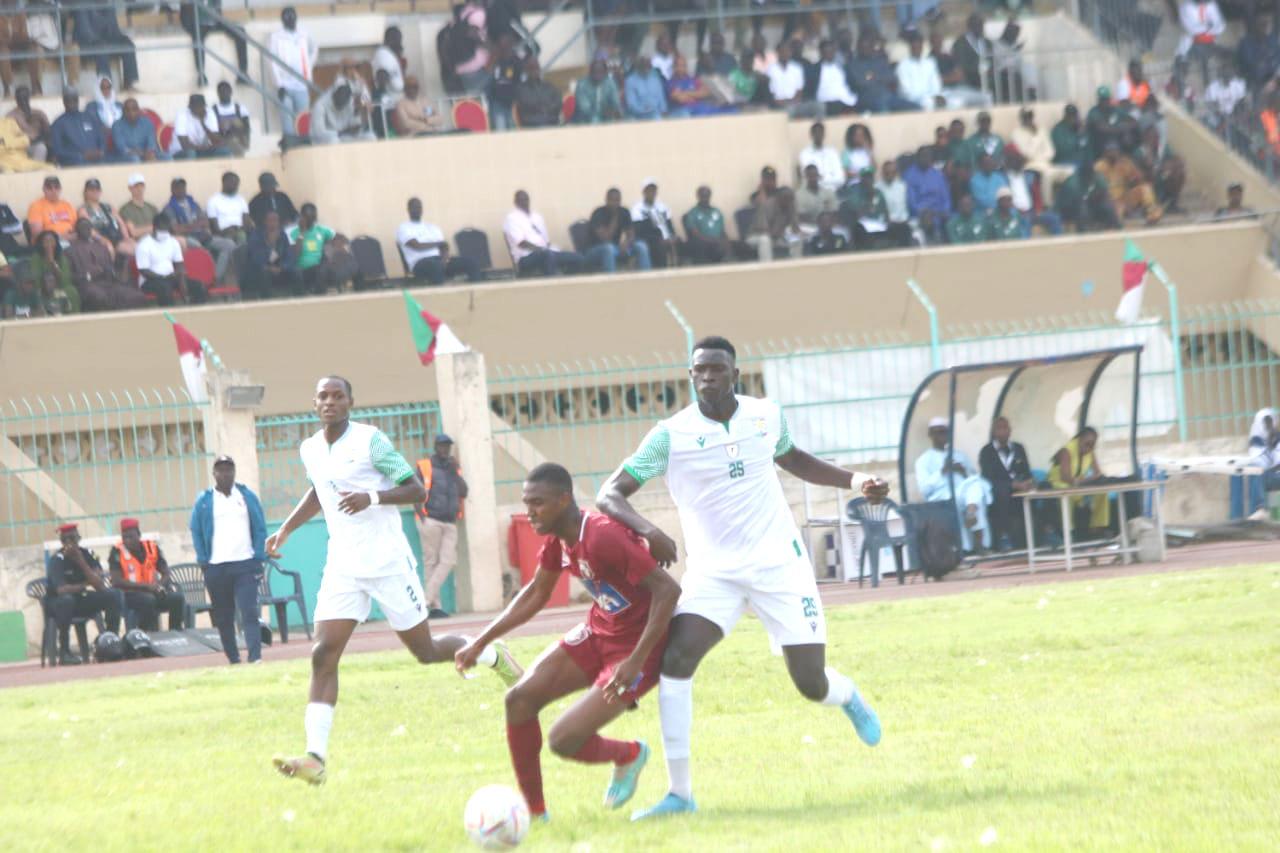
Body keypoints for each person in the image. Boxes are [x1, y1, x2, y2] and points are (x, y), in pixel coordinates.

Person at [598, 336, 886, 820]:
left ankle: (847, 696)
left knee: (810, 683)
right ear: (691, 376)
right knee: (677, 658)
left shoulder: (766, 415)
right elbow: (611, 493)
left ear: (735, 374)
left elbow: (795, 459)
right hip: (715, 573)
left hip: (781, 566)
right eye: (698, 370)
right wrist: (649, 530)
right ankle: (680, 794)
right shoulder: (670, 436)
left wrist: (857, 481)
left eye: (715, 368)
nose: (706, 376)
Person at [268, 376, 523, 785]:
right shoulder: (310, 448)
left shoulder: (372, 442)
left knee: (425, 651)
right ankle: (315, 758)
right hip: (343, 566)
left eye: (338, 396)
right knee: (322, 654)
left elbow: (416, 490)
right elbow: (319, 490)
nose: (330, 402)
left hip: (388, 563)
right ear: (314, 403)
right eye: (323, 396)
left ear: (351, 401)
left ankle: (492, 654)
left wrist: (371, 498)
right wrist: (286, 530)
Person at [457, 461, 680, 818]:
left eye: (537, 503)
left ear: (564, 500)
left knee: (563, 740)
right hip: (598, 633)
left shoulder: (603, 535)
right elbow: (535, 593)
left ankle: (630, 754)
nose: (529, 512)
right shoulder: (559, 540)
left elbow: (668, 591)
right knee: (519, 699)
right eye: (526, 503)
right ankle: (534, 815)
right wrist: (481, 641)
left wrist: (635, 660)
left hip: (637, 650)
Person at [190, 455, 268, 664]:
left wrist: (258, 556)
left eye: (229, 470)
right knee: (224, 616)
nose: (225, 474)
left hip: (244, 563)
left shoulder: (246, 496)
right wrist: (203, 560)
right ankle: (233, 658)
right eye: (220, 470)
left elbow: (260, 527)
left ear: (234, 472)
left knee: (249, 611)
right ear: (214, 473)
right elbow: (196, 530)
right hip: (216, 567)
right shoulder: (205, 501)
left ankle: (255, 657)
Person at [45, 523, 123, 665]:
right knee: (66, 600)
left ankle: (111, 642)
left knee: (113, 595)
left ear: (79, 538)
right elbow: (61, 590)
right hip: (57, 604)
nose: (71, 543)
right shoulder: (57, 560)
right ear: (62, 541)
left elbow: (99, 585)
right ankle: (64, 652)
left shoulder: (87, 554)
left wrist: (80, 561)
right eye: (67, 539)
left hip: (79, 600)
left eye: (74, 538)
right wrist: (84, 584)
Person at [915, 416, 992, 551]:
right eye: (938, 432)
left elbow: (973, 477)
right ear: (930, 435)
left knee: (977, 487)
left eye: (945, 432)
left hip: (964, 492)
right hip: (941, 495)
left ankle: (972, 515)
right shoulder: (923, 460)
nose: (942, 435)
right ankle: (967, 547)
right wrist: (942, 471)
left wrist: (963, 471)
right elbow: (924, 490)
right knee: (966, 498)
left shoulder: (959, 455)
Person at [1047, 426, 1139, 537]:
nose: (1090, 447)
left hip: (1078, 484)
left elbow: (1098, 472)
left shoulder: (1090, 451)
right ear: (1079, 440)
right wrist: (1087, 480)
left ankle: (1097, 527)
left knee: (1102, 492)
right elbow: (1065, 477)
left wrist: (1093, 479)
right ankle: (1068, 530)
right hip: (1058, 484)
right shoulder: (1066, 450)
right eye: (1087, 444)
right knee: (1069, 494)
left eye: (1093, 445)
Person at [413, 434, 468, 617]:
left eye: (448, 446)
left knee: (448, 560)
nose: (445, 449)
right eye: (442, 446)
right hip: (431, 519)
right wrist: (422, 517)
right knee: (431, 562)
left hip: (450, 521)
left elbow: (464, 491)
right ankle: (435, 608)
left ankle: (425, 600)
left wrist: (454, 472)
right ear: (436, 447)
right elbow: (415, 491)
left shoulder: (453, 468)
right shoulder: (425, 466)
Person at [107, 519, 185, 632]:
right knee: (148, 601)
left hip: (152, 591)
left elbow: (166, 572)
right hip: (129, 594)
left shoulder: (151, 547)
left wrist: (159, 585)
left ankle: (175, 631)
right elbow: (116, 581)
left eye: (131, 537)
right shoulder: (117, 551)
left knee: (177, 598)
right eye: (124, 537)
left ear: (139, 535)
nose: (127, 541)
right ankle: (144, 632)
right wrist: (145, 587)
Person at [978, 416, 1037, 551]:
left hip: (1020, 485)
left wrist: (1028, 481)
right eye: (999, 428)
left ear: (1010, 431)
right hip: (999, 488)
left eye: (1006, 428)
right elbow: (988, 477)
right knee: (1002, 491)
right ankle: (1004, 536)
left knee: (1044, 487)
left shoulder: (1018, 448)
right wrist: (1012, 485)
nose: (1003, 431)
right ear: (993, 432)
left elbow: (1026, 470)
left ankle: (1045, 532)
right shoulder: (986, 451)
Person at [66, 217, 146, 311]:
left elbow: (112, 269)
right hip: (88, 285)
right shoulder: (70, 251)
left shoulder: (101, 247)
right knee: (99, 297)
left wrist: (113, 268)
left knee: (135, 295)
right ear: (77, 230)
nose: (86, 230)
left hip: (108, 283)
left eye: (88, 227)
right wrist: (89, 275)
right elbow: (70, 276)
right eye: (82, 227)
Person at [397, 197, 479, 284]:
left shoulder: (432, 227)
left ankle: (476, 292)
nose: (417, 210)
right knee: (435, 266)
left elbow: (444, 245)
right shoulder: (404, 228)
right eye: (414, 207)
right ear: (408, 210)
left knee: (471, 263)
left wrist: (444, 259)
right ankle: (440, 295)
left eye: (419, 207)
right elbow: (417, 245)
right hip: (419, 263)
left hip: (440, 260)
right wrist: (438, 244)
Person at [503, 190, 584, 277]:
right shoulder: (512, 218)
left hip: (546, 252)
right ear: (516, 202)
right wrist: (541, 250)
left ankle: (567, 283)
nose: (524, 202)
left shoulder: (537, 217)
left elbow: (546, 241)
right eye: (521, 200)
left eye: (526, 199)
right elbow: (521, 243)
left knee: (577, 257)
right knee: (547, 255)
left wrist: (551, 248)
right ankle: (552, 284)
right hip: (525, 257)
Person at [270, 6, 317, 136]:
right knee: (287, 121)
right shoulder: (276, 37)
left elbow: (314, 49)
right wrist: (279, 84)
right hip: (285, 84)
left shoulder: (304, 34)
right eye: (287, 16)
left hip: (301, 84)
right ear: (282, 19)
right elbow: (273, 61)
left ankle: (304, 147)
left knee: (303, 120)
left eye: (292, 16)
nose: (290, 19)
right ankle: (291, 147)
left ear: (296, 17)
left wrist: (308, 65)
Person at [180, 0, 248, 86]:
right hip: (197, 23)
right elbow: (185, 13)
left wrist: (216, 19)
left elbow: (218, 10)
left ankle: (243, 73)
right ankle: (201, 75)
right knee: (197, 38)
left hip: (215, 21)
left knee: (240, 32)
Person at [166, 177, 234, 261]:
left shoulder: (193, 204)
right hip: (187, 239)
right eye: (177, 187)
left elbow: (205, 222)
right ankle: (207, 271)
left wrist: (188, 226)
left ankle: (217, 273)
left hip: (203, 236)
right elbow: (176, 230)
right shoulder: (168, 208)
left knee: (229, 244)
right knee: (201, 250)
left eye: (183, 187)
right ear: (172, 190)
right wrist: (196, 225)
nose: (181, 189)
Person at [71, 8, 138, 91]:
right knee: (101, 47)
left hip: (106, 43)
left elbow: (115, 32)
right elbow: (85, 34)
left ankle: (129, 84)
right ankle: (106, 86)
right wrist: (102, 42)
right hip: (86, 45)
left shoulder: (108, 7)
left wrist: (122, 39)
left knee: (128, 44)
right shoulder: (82, 7)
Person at [586, 188, 652, 273]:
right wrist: (615, 217)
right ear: (606, 200)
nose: (614, 203)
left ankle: (647, 277)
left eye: (617, 200)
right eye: (612, 200)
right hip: (595, 250)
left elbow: (631, 234)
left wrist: (626, 244)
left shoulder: (624, 211)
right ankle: (611, 281)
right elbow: (606, 238)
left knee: (641, 245)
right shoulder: (598, 213)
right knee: (609, 248)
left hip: (616, 248)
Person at [1095, 142, 1161, 225]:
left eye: (1115, 150)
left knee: (1145, 188)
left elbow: (1139, 179)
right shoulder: (1099, 166)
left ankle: (1152, 213)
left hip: (1125, 198)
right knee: (1116, 219)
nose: (1113, 153)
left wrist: (1131, 172)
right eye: (1110, 151)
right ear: (1105, 153)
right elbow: (1098, 190)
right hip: (1110, 202)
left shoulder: (1124, 162)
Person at [135, 212, 194, 305]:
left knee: (197, 286)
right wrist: (163, 277)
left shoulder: (173, 242)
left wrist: (181, 278)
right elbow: (144, 271)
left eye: (166, 230)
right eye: (161, 230)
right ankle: (169, 316)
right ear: (154, 228)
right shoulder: (144, 244)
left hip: (170, 277)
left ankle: (195, 313)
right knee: (165, 287)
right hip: (150, 281)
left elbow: (179, 264)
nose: (164, 232)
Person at [1003, 146, 1062, 236]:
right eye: (1015, 160)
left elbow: (1036, 195)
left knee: (1054, 218)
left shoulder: (1029, 176)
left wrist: (1038, 209)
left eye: (1020, 160)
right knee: (1025, 222)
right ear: (1009, 161)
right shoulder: (1004, 178)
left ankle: (1059, 244)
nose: (1019, 162)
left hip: (1032, 211)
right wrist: (1017, 210)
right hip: (1015, 212)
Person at [242, 210, 299, 298]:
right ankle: (267, 303)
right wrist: (271, 245)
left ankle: (301, 301)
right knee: (264, 273)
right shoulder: (256, 236)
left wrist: (281, 267)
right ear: (265, 222)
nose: (273, 223)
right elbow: (258, 260)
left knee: (296, 272)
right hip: (260, 271)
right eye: (270, 220)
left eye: (276, 220)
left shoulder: (282, 235)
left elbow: (289, 256)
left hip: (279, 269)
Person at [206, 171, 252, 281]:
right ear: (224, 182)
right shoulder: (214, 200)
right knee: (229, 244)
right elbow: (214, 227)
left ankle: (226, 278)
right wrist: (227, 232)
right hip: (220, 236)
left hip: (240, 233)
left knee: (241, 241)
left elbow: (246, 222)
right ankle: (219, 278)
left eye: (237, 183)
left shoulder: (241, 200)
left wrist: (238, 230)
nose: (236, 185)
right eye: (233, 182)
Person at [50, 87, 110, 166]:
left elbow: (101, 138)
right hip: (75, 162)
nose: (72, 102)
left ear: (78, 100)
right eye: (68, 99)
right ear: (64, 101)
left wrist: (101, 151)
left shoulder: (89, 117)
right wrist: (81, 155)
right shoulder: (58, 123)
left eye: (74, 99)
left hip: (98, 158)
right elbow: (58, 150)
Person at [1055, 161, 1119, 233]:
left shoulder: (1097, 177)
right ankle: (1083, 229)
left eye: (1091, 174)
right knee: (1082, 206)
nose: (1089, 176)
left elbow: (1105, 193)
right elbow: (1072, 202)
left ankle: (1116, 226)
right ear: (1082, 174)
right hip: (1067, 208)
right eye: (1087, 174)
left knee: (1106, 204)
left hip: (1089, 204)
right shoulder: (1072, 183)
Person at [904, 146, 951, 242]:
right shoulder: (909, 175)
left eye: (928, 156)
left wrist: (944, 211)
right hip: (921, 215)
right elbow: (912, 203)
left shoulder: (938, 174)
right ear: (917, 157)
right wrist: (925, 212)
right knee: (928, 221)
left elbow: (946, 198)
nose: (926, 158)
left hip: (939, 214)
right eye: (923, 156)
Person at [79, 177, 131, 259]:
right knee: (108, 249)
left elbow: (121, 223)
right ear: (86, 192)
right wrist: (103, 240)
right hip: (99, 240)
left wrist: (127, 237)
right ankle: (112, 271)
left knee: (136, 248)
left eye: (97, 189)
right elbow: (88, 229)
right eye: (91, 189)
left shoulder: (108, 207)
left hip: (116, 237)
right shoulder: (83, 209)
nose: (95, 192)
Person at [630, 179, 678, 269]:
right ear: (644, 192)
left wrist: (673, 236)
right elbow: (639, 231)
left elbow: (669, 225)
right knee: (659, 246)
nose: (651, 192)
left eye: (653, 190)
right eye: (649, 190)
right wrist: (660, 238)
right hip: (650, 239)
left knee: (680, 242)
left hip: (666, 238)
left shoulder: (662, 207)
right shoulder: (637, 208)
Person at [28, 229, 78, 314]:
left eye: (51, 241)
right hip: (42, 288)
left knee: (71, 290)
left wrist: (52, 263)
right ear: (41, 243)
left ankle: (73, 317)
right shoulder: (35, 258)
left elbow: (65, 280)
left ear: (56, 243)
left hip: (60, 287)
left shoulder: (61, 257)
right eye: (45, 241)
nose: (49, 244)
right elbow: (36, 279)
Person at [1177, 0, 1225, 83]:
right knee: (1184, 58)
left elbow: (1220, 24)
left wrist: (1208, 30)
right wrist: (1209, 27)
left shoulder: (1211, 4)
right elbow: (1191, 28)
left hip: (1210, 38)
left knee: (1219, 55)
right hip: (1191, 40)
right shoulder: (1186, 6)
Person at [169, 94, 230, 159]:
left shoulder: (210, 114)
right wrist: (205, 148)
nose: (199, 109)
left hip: (202, 150)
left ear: (205, 106)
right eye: (196, 106)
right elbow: (185, 145)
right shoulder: (182, 115)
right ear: (190, 107)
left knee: (224, 151)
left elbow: (216, 141)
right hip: (180, 151)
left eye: (201, 106)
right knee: (191, 153)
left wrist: (203, 123)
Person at [681, 185, 730, 265]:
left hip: (717, 241)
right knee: (702, 245)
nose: (705, 197)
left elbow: (722, 231)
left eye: (707, 195)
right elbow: (695, 233)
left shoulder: (717, 211)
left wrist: (725, 241)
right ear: (698, 196)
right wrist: (712, 240)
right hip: (702, 242)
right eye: (703, 195)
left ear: (710, 196)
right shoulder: (693, 213)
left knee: (731, 244)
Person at [897, 28, 943, 110]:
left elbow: (936, 84)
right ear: (911, 47)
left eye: (919, 46)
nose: (917, 49)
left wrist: (936, 96)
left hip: (932, 98)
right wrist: (928, 98)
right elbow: (906, 92)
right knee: (928, 103)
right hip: (913, 101)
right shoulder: (903, 66)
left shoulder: (930, 63)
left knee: (953, 101)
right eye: (915, 46)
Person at [514, 55, 562, 128]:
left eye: (536, 67)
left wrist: (545, 109)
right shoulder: (521, 89)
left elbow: (558, 103)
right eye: (531, 68)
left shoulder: (549, 87)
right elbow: (526, 105)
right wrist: (543, 107)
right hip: (531, 126)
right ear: (526, 70)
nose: (534, 70)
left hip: (551, 123)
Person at [111, 98, 164, 163]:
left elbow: (151, 144)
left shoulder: (147, 122)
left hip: (147, 154)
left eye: (134, 109)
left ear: (139, 110)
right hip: (125, 156)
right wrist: (142, 154)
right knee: (135, 159)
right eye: (128, 110)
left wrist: (149, 152)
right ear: (123, 111)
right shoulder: (117, 125)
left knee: (167, 156)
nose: (131, 113)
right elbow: (122, 149)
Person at [814, 39, 858, 114]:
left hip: (846, 99)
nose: (829, 54)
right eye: (826, 52)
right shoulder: (815, 69)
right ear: (821, 53)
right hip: (826, 100)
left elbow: (852, 84)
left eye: (831, 51)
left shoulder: (842, 67)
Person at [950, 13, 992, 92]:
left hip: (988, 79)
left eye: (981, 25)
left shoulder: (987, 42)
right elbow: (961, 64)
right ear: (970, 27)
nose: (980, 28)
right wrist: (977, 68)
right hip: (969, 80)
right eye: (977, 25)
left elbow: (992, 59)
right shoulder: (960, 43)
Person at [7, 85, 50, 161]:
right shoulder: (11, 116)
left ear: (29, 97)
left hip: (37, 144)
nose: (23, 100)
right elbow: (8, 138)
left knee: (41, 147)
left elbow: (48, 131)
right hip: (20, 147)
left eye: (25, 97)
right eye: (20, 98)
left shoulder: (39, 113)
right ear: (16, 99)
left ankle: (37, 171)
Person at [574, 59, 623, 124]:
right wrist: (604, 112)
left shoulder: (610, 83)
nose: (597, 75)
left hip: (607, 117)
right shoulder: (582, 85)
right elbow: (585, 109)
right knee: (594, 120)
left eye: (600, 72)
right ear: (590, 72)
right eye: (595, 72)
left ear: (606, 72)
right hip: (585, 120)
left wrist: (614, 111)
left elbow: (616, 103)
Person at [798, 122, 843, 192]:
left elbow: (841, 178)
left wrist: (822, 178)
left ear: (824, 134)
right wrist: (830, 177)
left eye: (820, 132)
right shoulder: (805, 154)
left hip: (834, 191)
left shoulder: (832, 152)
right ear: (811, 135)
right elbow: (809, 178)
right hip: (814, 192)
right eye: (816, 133)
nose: (818, 135)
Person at [27, 175, 75, 239]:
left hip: (71, 240)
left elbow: (76, 226)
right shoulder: (36, 206)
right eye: (49, 188)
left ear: (60, 189)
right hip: (49, 244)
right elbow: (37, 234)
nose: (54, 191)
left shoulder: (67, 205)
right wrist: (62, 237)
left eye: (56, 187)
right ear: (44, 189)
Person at [211, 81, 250, 156]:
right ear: (218, 93)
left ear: (231, 92)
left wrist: (246, 142)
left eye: (226, 91)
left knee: (236, 123)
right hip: (221, 139)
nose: (224, 93)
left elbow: (246, 127)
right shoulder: (213, 110)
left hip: (237, 138)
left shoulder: (240, 108)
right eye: (221, 91)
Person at [796, 164, 837, 234]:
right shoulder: (799, 195)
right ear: (806, 177)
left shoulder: (828, 192)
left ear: (818, 176)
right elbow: (801, 216)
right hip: (809, 227)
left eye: (815, 175)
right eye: (810, 176)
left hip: (827, 225)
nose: (813, 178)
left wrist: (826, 224)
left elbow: (833, 212)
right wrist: (819, 225)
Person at [119, 174, 159, 246]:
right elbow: (134, 232)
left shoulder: (151, 207)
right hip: (140, 242)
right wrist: (153, 227)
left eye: (141, 186)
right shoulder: (125, 209)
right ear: (130, 188)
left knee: (179, 241)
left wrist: (149, 229)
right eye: (136, 186)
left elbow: (162, 227)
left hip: (157, 239)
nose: (139, 189)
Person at [625, 56, 667, 121]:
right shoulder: (630, 81)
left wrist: (664, 111)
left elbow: (661, 98)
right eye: (643, 65)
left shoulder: (655, 79)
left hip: (654, 115)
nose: (646, 68)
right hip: (637, 116)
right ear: (638, 66)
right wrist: (643, 109)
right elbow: (631, 103)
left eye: (648, 65)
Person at [372, 26, 406, 96]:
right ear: (390, 38)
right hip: (389, 100)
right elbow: (381, 76)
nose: (400, 43)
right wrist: (384, 97)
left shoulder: (390, 53)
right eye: (398, 39)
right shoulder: (384, 54)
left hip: (394, 97)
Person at [1050, 104, 1086, 168]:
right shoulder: (1058, 129)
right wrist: (1077, 142)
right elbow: (1062, 150)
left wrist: (1081, 133)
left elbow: (1085, 145)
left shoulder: (1079, 128)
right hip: (1063, 162)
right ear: (1065, 116)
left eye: (1074, 115)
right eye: (1070, 115)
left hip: (1079, 161)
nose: (1073, 118)